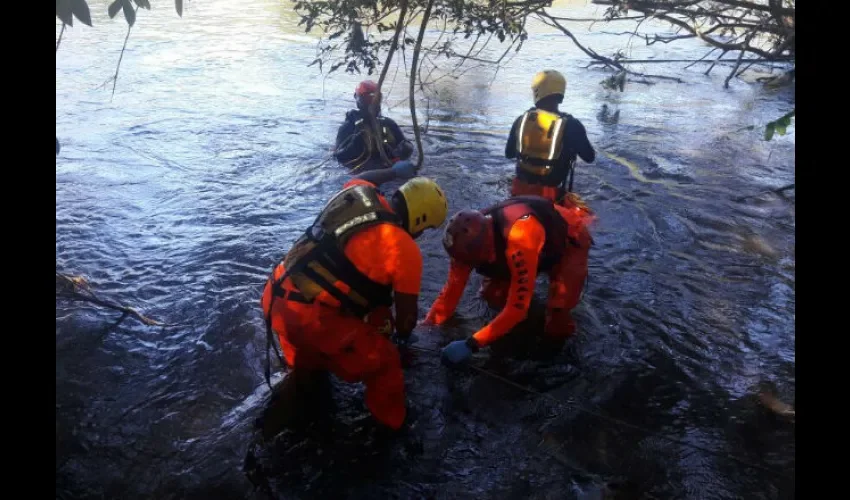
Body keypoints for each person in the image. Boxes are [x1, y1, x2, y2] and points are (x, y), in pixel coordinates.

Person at [259, 160, 447, 438]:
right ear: (419, 220)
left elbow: (366, 174)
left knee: (308, 372)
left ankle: (296, 401)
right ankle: (390, 428)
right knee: (386, 363)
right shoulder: (404, 249)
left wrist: (394, 171)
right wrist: (400, 341)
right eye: (425, 229)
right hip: (311, 322)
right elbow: (406, 320)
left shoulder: (359, 193)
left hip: (276, 298)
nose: (421, 236)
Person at [422, 195, 593, 366]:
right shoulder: (463, 243)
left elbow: (517, 309)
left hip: (567, 241)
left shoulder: (520, 238)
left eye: (472, 262)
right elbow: (451, 290)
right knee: (491, 295)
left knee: (557, 316)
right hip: (518, 248)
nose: (467, 267)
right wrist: (427, 326)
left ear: (487, 244)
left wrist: (472, 343)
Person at [505, 70, 596, 203]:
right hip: (551, 197)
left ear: (536, 92)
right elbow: (589, 157)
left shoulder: (522, 119)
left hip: (519, 192)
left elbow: (509, 154)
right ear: (560, 96)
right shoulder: (572, 125)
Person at [334, 80, 414, 172]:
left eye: (375, 98)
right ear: (357, 98)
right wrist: (355, 145)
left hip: (389, 168)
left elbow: (404, 143)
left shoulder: (388, 124)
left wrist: (406, 149)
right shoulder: (348, 127)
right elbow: (338, 156)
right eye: (366, 99)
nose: (371, 102)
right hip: (361, 170)